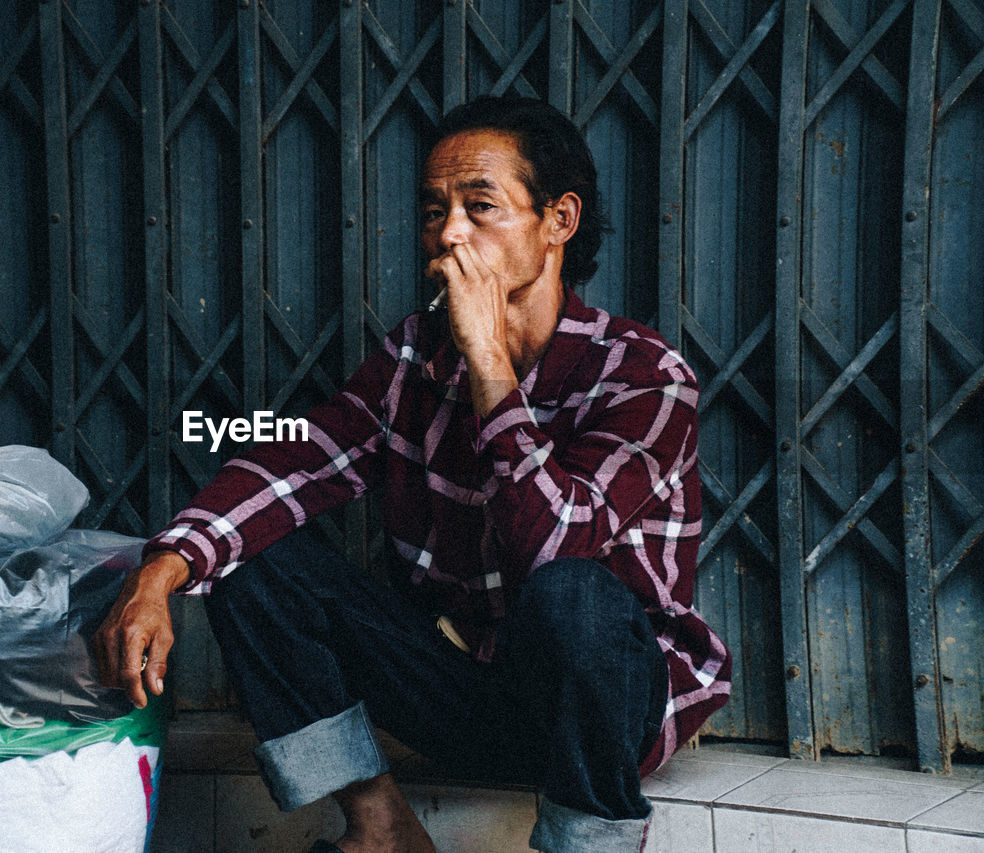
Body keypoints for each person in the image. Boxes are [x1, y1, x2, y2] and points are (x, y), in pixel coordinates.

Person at [95, 95, 730, 853]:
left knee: (573, 592)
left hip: (604, 720)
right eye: (435, 210)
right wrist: (164, 568)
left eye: (480, 206)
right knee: (251, 561)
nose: (448, 233)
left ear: (558, 221)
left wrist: (489, 360)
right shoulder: (414, 358)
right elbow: (298, 458)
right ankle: (380, 825)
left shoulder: (643, 375)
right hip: (466, 702)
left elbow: (559, 542)